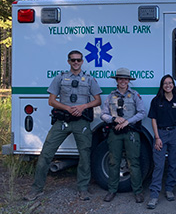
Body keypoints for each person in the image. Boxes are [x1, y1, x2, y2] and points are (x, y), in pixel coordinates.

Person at [24, 50, 102, 201]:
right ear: (68, 61)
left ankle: (83, 189)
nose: (76, 63)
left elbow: (97, 100)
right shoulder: (60, 78)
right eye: (73, 60)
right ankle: (36, 189)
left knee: (85, 155)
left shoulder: (90, 80)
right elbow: (51, 101)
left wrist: (82, 107)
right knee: (46, 153)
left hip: (81, 122)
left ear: (82, 61)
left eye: (78, 60)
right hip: (62, 121)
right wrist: (67, 108)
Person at [100, 68, 146, 203]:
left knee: (134, 162)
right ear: (117, 80)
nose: (123, 81)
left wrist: (127, 121)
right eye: (120, 79)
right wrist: (114, 119)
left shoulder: (135, 95)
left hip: (131, 132)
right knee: (114, 162)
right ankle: (112, 190)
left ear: (129, 81)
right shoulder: (110, 96)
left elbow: (142, 112)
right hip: (115, 132)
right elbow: (103, 114)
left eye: (125, 79)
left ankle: (138, 191)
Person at [147, 75, 176, 209]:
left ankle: (169, 189)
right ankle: (154, 195)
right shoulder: (157, 101)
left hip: (175, 133)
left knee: (173, 164)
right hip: (161, 134)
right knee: (159, 165)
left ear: (173, 85)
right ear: (162, 85)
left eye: (170, 83)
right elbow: (153, 119)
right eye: (165, 83)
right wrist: (157, 137)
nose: (168, 85)